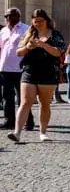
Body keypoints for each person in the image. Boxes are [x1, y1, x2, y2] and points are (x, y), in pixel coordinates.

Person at [9, 9, 65, 142]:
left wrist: (44, 45)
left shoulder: (55, 35)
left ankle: (43, 132)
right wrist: (28, 46)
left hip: (48, 72)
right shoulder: (28, 34)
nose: (37, 24)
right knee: (25, 102)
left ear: (46, 21)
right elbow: (18, 53)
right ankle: (17, 132)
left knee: (44, 103)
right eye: (35, 22)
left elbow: (59, 52)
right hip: (29, 71)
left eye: (40, 21)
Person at [1, 8, 33, 132]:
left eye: (10, 15)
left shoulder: (26, 29)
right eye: (6, 16)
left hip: (20, 68)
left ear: (18, 16)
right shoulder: (3, 31)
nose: (7, 18)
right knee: (7, 96)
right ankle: (9, 120)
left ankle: (28, 121)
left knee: (23, 97)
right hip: (4, 68)